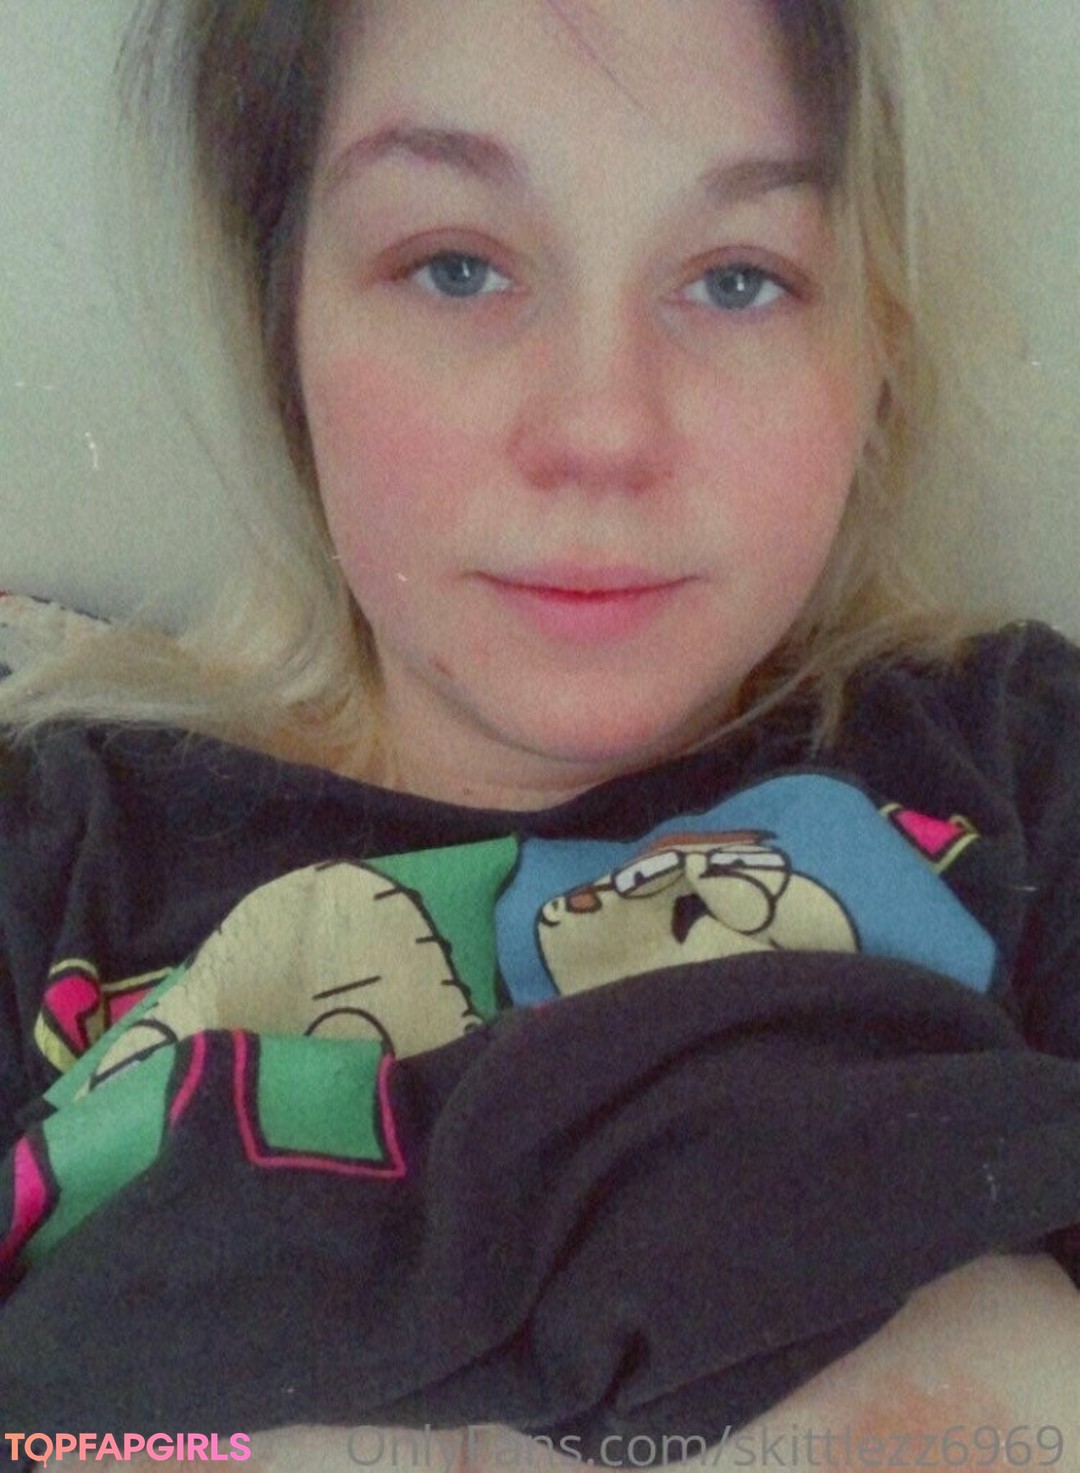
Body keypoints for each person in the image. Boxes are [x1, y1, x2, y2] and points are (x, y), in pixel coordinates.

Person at [0, 0, 1078, 1465]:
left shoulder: (1020, 768)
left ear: (876, 345)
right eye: (457, 266)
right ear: (283, 311)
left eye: (740, 279)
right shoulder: (49, 853)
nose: (602, 429)